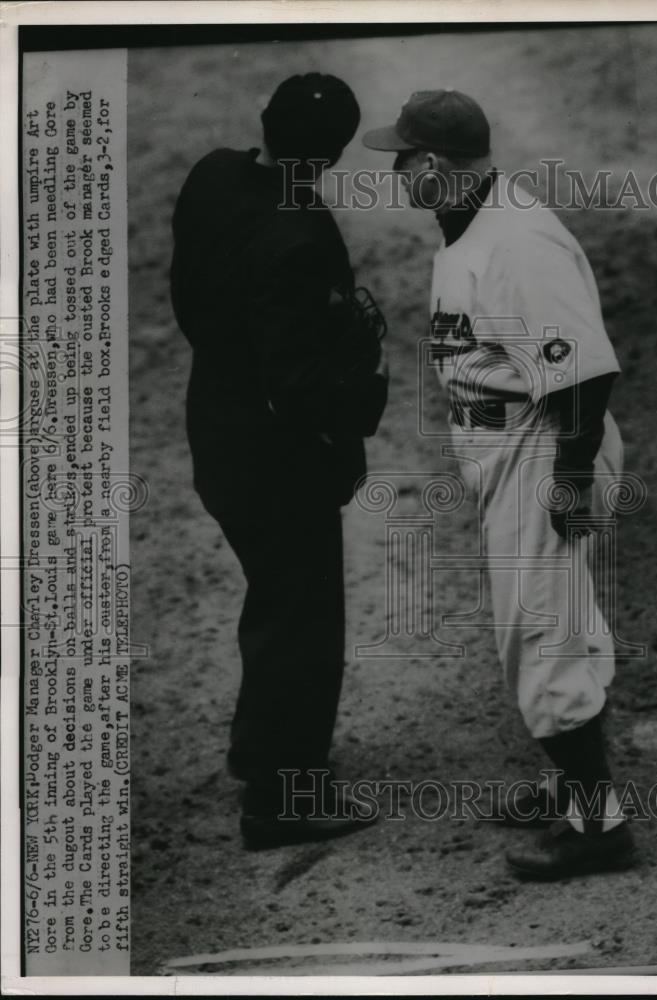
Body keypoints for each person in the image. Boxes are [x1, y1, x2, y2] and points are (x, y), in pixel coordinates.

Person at [363, 89, 636, 879]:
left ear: (437, 165)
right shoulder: (468, 224)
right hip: (513, 450)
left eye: (404, 160)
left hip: (547, 448)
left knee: (542, 640)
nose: (398, 173)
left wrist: (571, 479)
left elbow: (583, 372)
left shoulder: (518, 243)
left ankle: (600, 828)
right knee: (550, 629)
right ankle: (569, 791)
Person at [171, 73, 388, 848]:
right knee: (300, 619)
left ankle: (263, 756)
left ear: (264, 120)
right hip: (276, 457)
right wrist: (355, 410)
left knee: (276, 602)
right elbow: (298, 388)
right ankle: (280, 797)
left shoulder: (212, 176)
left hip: (216, 427)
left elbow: (192, 303)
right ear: (330, 154)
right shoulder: (298, 236)